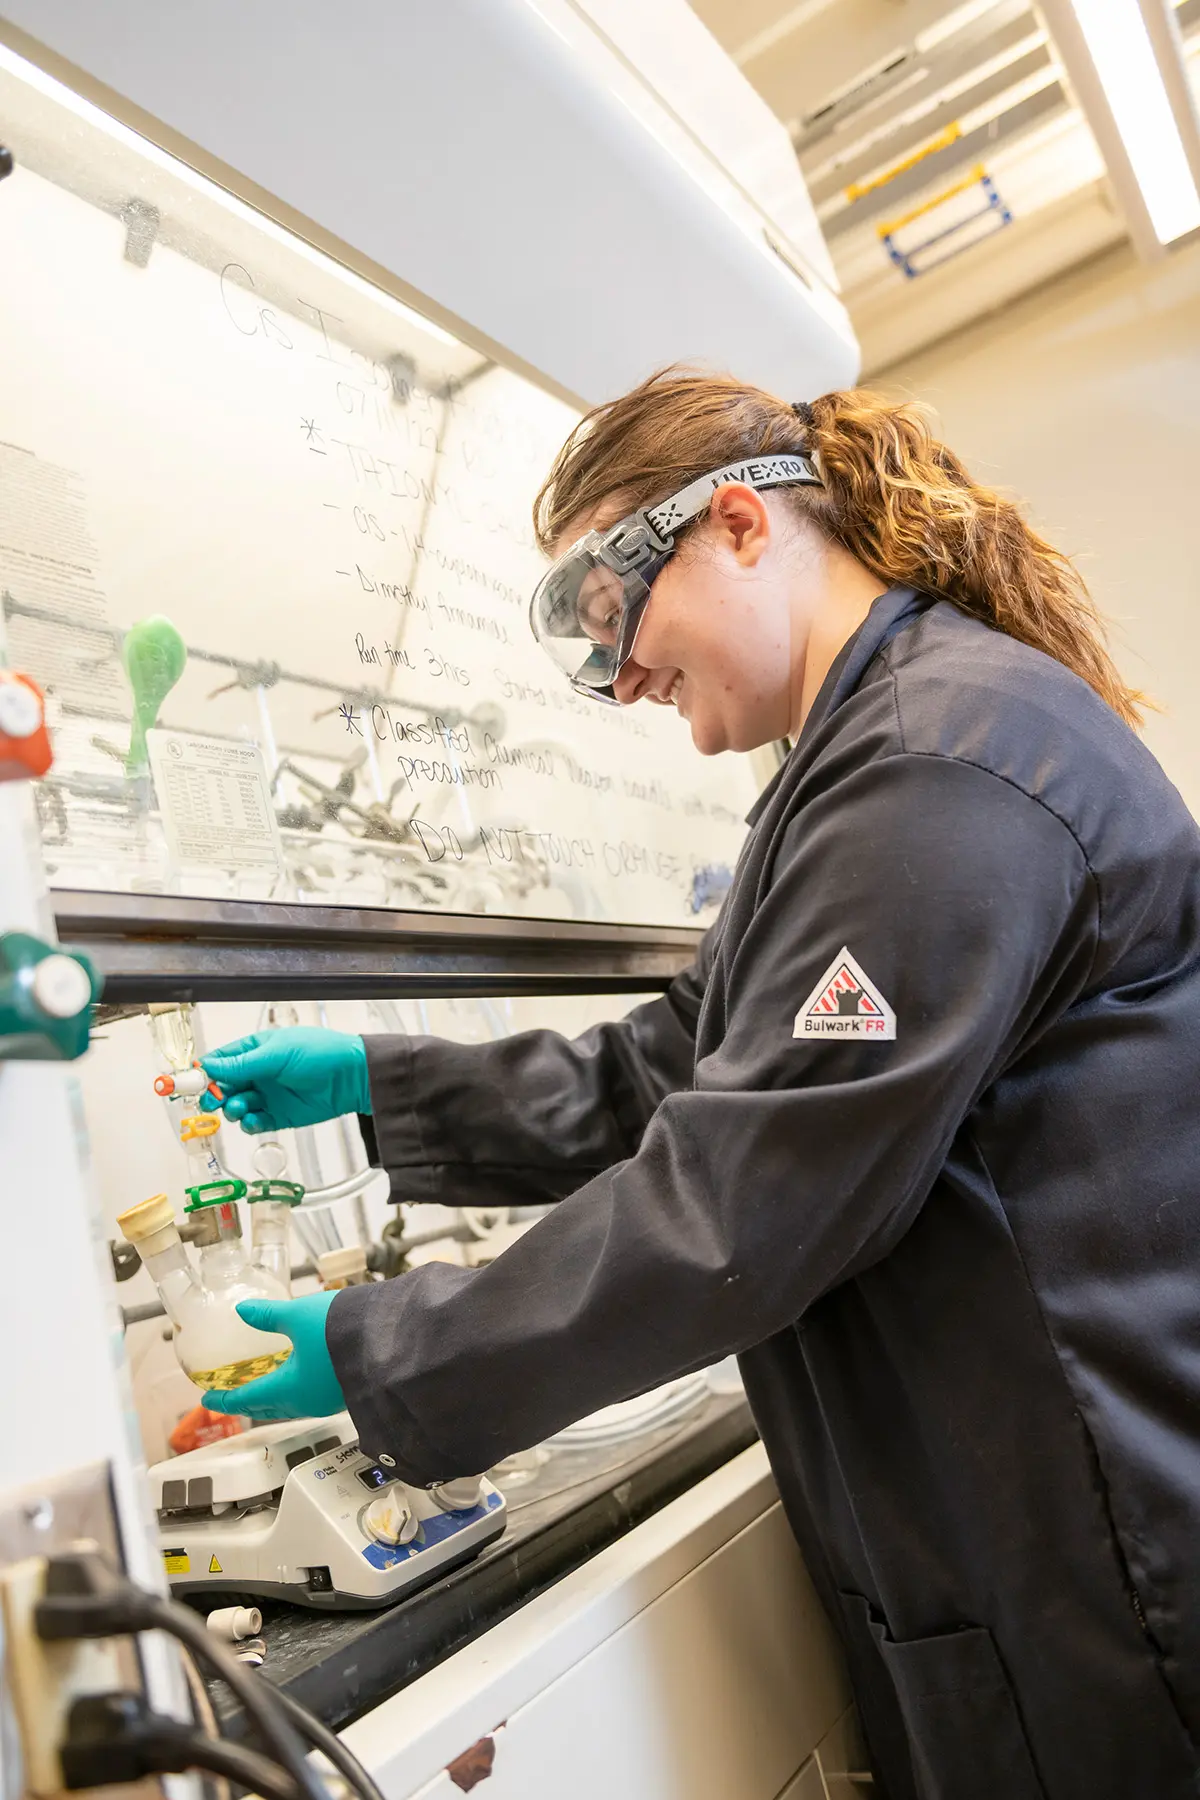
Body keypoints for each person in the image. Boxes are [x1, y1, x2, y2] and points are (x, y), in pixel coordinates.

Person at [199, 370, 1200, 1800]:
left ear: (739, 526)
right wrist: (374, 1086)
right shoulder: (870, 752)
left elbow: (743, 1204)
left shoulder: (939, 765)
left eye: (618, 622)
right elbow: (681, 1065)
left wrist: (386, 1356)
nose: (621, 680)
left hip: (1096, 1545)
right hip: (1022, 1506)